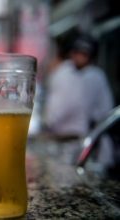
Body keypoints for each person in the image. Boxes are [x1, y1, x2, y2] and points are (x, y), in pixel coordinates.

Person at [44, 35, 114, 165]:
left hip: (83, 143)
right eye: (78, 52)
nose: (80, 57)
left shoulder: (97, 76)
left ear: (91, 56)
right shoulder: (62, 72)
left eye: (84, 54)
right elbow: (53, 113)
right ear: (72, 53)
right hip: (58, 142)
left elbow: (105, 111)